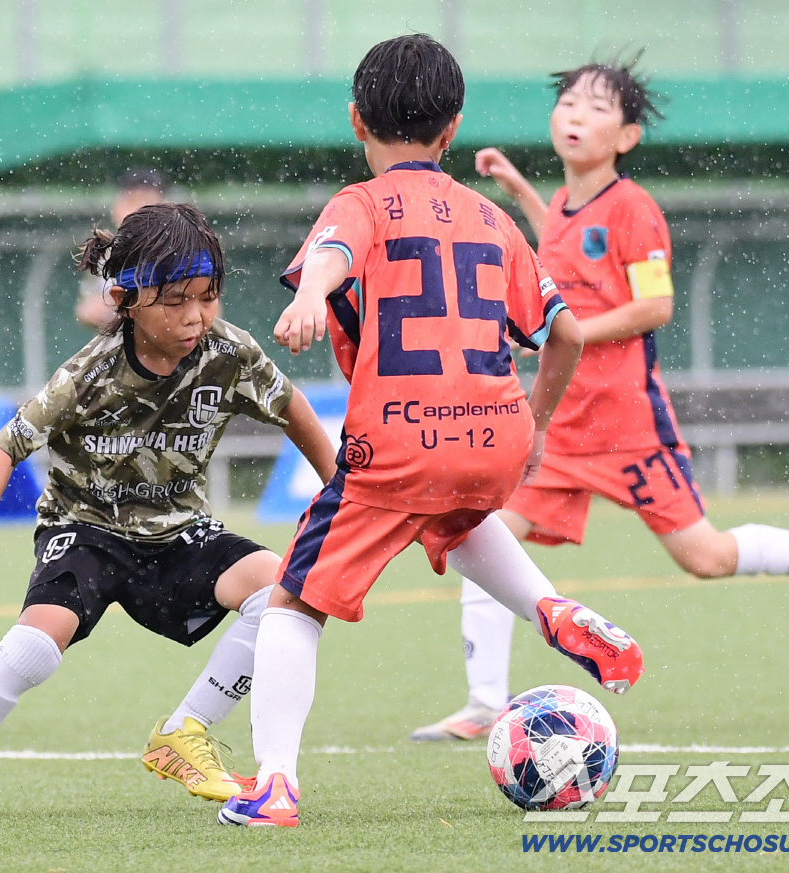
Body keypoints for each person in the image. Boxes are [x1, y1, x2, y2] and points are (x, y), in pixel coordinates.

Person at [410, 57, 789, 743]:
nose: (576, 117)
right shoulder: (562, 203)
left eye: (595, 109)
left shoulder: (635, 209)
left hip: (628, 427)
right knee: (485, 532)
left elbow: (656, 304)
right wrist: (521, 191)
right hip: (560, 429)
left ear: (628, 137)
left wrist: (574, 331)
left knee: (703, 555)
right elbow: (562, 247)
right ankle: (484, 702)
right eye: (568, 105)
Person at [217, 35, 644, 829]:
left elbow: (336, 252)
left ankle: (274, 783)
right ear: (452, 129)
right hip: (495, 437)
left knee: (291, 604)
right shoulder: (495, 221)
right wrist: (538, 426)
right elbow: (569, 334)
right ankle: (552, 610)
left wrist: (312, 292)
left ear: (355, 120)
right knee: (461, 510)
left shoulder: (361, 201)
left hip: (399, 436)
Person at [0, 203, 336, 820]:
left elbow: (295, 413)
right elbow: (2, 448)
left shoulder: (231, 353)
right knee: (38, 648)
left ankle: (184, 732)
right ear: (126, 298)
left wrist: (343, 498)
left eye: (207, 297)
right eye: (175, 300)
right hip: (84, 533)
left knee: (286, 595)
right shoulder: (89, 374)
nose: (195, 316)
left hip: (181, 536)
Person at [75, 167, 167, 329]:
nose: (137, 212)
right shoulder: (104, 253)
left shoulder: (175, 251)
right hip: (117, 347)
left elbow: (207, 310)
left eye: (147, 205)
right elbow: (85, 311)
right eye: (131, 203)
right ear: (117, 208)